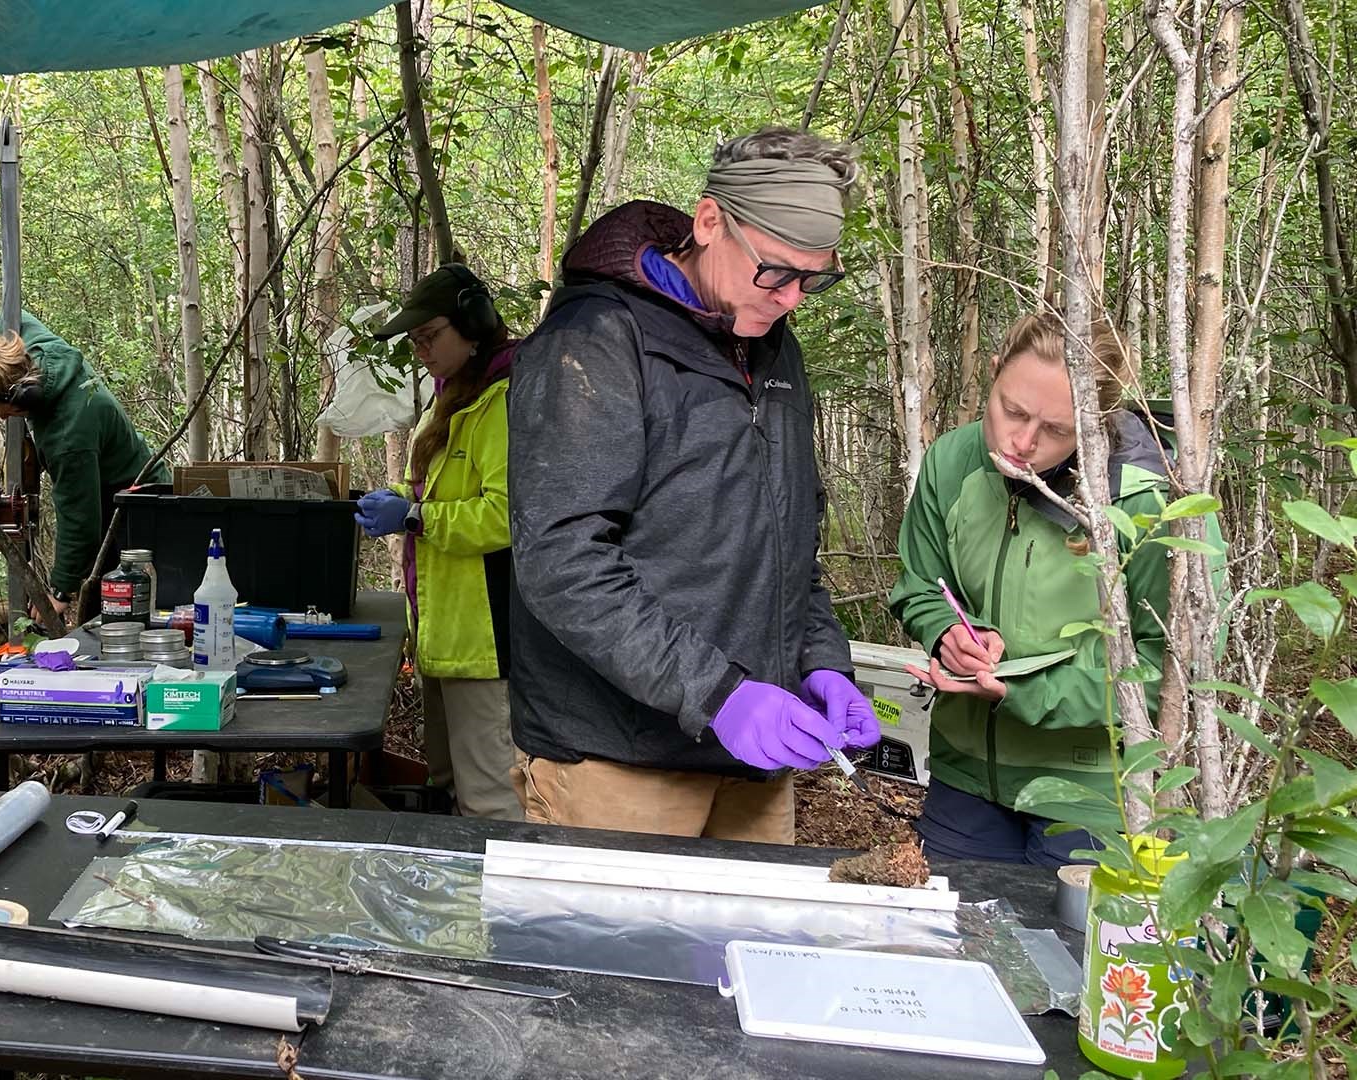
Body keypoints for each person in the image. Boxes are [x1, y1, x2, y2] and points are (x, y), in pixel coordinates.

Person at [507, 126, 879, 843]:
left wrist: (822, 663)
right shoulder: (596, 341)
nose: (792, 298)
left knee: (753, 954)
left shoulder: (773, 347)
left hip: (753, 764)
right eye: (775, 271)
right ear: (710, 222)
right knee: (621, 958)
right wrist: (717, 695)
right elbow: (561, 560)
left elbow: (789, 544)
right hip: (618, 761)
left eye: (813, 279)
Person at [888, 312, 1224, 865]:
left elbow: (1175, 673)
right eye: (1011, 411)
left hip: (1094, 795)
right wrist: (945, 630)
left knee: (1074, 951)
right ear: (993, 375)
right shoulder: (953, 461)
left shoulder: (1154, 501)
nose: (1021, 442)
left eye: (1056, 431)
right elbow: (922, 586)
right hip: (965, 779)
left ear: (1097, 420)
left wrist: (1024, 692)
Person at [355, 264, 521, 820]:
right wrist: (398, 499)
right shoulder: (449, 397)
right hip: (443, 633)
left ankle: (501, 906)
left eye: (430, 337)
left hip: (487, 640)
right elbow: (432, 487)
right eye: (415, 341)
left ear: (473, 326)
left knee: (491, 799)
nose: (421, 351)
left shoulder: (502, 400)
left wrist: (415, 517)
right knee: (447, 786)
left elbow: (505, 517)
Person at [0, 311, 170, 621]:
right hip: (109, 485)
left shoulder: (69, 433)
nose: (4, 418)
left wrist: (61, 591)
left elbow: (80, 519)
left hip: (136, 500)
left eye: (3, 411)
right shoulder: (37, 346)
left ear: (24, 394)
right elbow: (12, 313)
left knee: (117, 608)